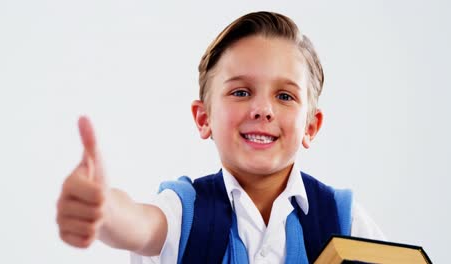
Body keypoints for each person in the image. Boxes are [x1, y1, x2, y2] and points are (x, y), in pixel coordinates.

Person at [56, 11, 385, 264]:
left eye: (285, 96)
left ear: (311, 127)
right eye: (241, 92)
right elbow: (139, 224)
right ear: (204, 118)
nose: (262, 109)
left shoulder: (344, 219)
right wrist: (104, 212)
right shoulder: (185, 211)